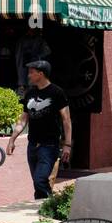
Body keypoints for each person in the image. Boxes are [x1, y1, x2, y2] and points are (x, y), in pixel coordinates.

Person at [7, 60, 72, 199]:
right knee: (38, 184)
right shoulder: (30, 93)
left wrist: (67, 144)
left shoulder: (57, 92)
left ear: (40, 74)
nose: (29, 76)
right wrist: (12, 139)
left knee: (40, 180)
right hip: (32, 146)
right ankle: (42, 211)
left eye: (31, 72)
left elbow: (66, 120)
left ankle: (51, 204)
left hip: (49, 145)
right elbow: (24, 119)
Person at [15, 26, 51, 97]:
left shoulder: (39, 40)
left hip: (34, 64)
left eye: (33, 30)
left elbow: (47, 51)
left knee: (32, 84)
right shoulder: (22, 40)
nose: (31, 31)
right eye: (30, 30)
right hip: (24, 65)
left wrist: (38, 56)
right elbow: (18, 53)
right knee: (23, 85)